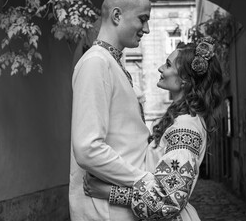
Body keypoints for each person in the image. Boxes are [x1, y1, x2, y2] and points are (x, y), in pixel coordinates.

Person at [83, 36, 223, 220]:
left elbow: (169, 200)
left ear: (185, 81)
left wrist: (109, 192)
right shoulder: (183, 120)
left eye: (168, 64)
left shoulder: (185, 127)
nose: (160, 68)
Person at [70, 0, 153, 221]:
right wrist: (145, 179)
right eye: (142, 19)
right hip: (104, 211)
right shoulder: (96, 63)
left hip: (119, 208)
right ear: (117, 15)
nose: (146, 29)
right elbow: (88, 149)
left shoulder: (111, 63)